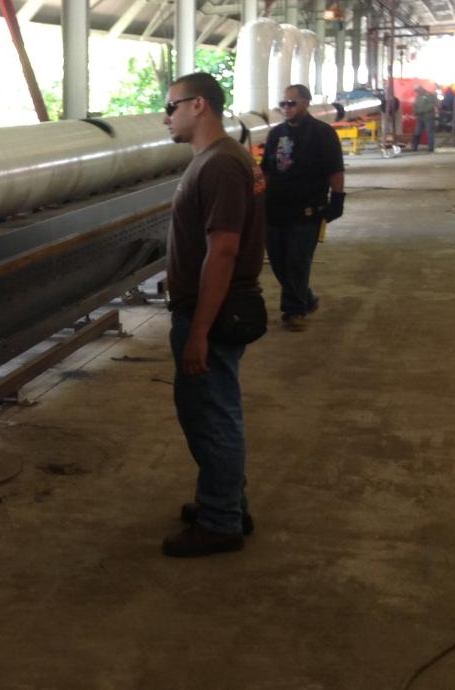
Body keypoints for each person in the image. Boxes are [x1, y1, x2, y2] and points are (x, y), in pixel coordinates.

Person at [159, 72, 267, 558]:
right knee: (213, 409)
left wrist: (199, 331)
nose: (167, 116)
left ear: (199, 105)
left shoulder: (220, 165)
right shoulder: (215, 161)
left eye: (172, 107)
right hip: (206, 309)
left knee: (211, 415)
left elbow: (222, 251)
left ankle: (221, 520)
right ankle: (225, 501)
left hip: (211, 314)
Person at [260, 84, 345, 332]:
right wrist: (258, 200)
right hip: (276, 209)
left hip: (307, 210)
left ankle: (294, 311)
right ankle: (306, 298)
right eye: (283, 103)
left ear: (306, 103)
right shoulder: (276, 134)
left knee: (297, 261)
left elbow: (335, 170)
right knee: (278, 261)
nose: (286, 108)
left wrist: (337, 200)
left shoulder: (323, 134)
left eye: (292, 103)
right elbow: (267, 169)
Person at [412, 86, 437, 152]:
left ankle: (430, 147)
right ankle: (414, 146)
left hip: (428, 116)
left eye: (417, 90)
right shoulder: (418, 96)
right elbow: (415, 105)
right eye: (416, 91)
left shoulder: (430, 95)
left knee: (429, 132)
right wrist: (415, 111)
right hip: (420, 117)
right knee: (417, 132)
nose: (417, 92)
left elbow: (432, 105)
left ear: (421, 89)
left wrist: (422, 111)